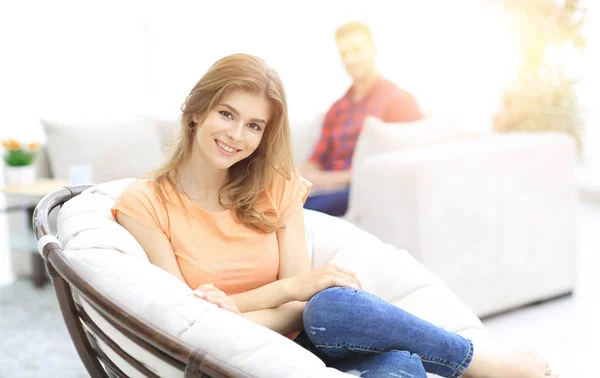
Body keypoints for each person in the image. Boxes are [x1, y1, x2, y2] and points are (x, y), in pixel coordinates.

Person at [111, 53, 556, 377]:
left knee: (336, 308)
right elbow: (184, 319)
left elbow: (302, 310)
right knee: (385, 350)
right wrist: (289, 288)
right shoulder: (145, 204)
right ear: (196, 112)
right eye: (226, 114)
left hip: (308, 339)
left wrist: (250, 303)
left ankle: (476, 363)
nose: (236, 135)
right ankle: (482, 366)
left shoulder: (275, 186)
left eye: (254, 125)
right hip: (232, 356)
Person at [301, 21, 423, 216]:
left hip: (360, 191)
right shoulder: (337, 108)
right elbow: (317, 159)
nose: (350, 60)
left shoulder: (399, 101)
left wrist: (330, 179)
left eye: (356, 50)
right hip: (323, 188)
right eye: (344, 54)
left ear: (373, 49)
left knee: (293, 213)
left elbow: (405, 167)